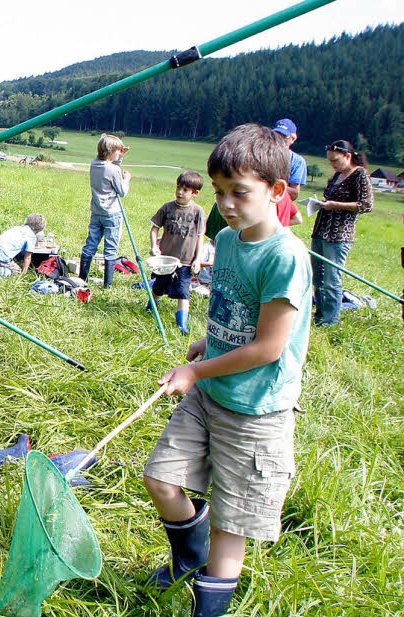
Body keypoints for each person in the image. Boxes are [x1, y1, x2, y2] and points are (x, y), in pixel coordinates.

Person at [143, 124, 311, 617]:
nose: (228, 203)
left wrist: (195, 371)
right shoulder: (230, 240)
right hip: (211, 392)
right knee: (160, 480)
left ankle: (208, 606)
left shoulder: (286, 256)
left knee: (228, 527)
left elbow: (268, 348)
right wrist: (207, 344)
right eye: (220, 192)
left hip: (255, 414)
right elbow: (237, 314)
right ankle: (188, 557)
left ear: (277, 191)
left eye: (240, 192)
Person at [311, 139, 373, 326]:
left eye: (336, 160)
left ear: (348, 156)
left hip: (339, 236)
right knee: (318, 277)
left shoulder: (360, 175)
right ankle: (320, 314)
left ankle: (331, 321)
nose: (333, 164)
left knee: (332, 279)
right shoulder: (337, 175)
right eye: (330, 161)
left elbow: (366, 204)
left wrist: (335, 205)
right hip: (321, 230)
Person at [148, 172, 206, 335]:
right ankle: (151, 307)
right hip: (165, 260)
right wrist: (154, 246)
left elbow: (200, 237)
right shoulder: (167, 207)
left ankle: (182, 325)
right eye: (178, 187)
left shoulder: (198, 211)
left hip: (186, 261)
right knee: (159, 287)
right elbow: (154, 228)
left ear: (195, 193)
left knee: (184, 292)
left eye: (185, 189)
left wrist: (198, 259)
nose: (180, 192)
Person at [79, 134, 130, 288]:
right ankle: (107, 284)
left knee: (91, 244)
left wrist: (119, 156)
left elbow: (110, 165)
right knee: (111, 247)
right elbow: (122, 191)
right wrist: (126, 179)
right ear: (111, 152)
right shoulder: (114, 170)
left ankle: (82, 278)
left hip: (96, 212)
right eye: (117, 151)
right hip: (112, 214)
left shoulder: (94, 163)